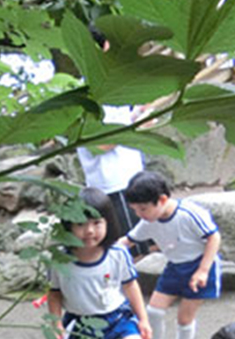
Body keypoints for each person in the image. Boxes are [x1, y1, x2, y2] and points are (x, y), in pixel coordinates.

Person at [47, 187, 168, 339]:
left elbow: (130, 285)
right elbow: (54, 292)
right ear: (68, 225)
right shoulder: (59, 258)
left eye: (97, 223)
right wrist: (56, 321)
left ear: (108, 222)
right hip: (82, 327)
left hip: (118, 320)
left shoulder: (117, 253)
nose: (90, 231)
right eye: (81, 224)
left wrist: (143, 319)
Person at [120, 170, 222, 339]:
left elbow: (214, 237)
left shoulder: (189, 214)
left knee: (184, 318)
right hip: (175, 267)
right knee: (154, 310)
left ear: (162, 200)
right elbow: (127, 240)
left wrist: (202, 270)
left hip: (200, 267)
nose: (139, 214)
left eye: (143, 209)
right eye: (135, 210)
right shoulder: (149, 221)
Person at [76, 25, 148, 247]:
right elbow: (101, 144)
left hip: (129, 176)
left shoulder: (109, 87)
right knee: (130, 249)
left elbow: (118, 127)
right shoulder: (90, 93)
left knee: (144, 244)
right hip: (113, 184)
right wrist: (129, 125)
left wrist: (135, 117)